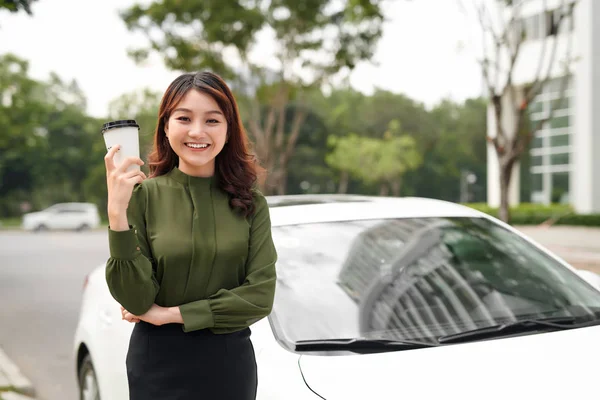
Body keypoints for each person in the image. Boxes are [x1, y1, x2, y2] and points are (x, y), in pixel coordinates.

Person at [103, 71, 278, 400]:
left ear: (228, 130)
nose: (197, 132)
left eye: (212, 120)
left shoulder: (252, 204)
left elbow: (260, 296)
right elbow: (136, 300)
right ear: (166, 126)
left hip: (228, 368)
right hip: (156, 365)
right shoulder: (142, 197)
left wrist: (168, 314)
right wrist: (116, 213)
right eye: (184, 118)